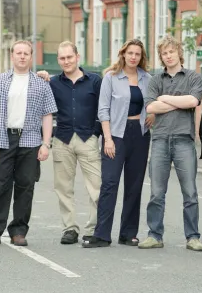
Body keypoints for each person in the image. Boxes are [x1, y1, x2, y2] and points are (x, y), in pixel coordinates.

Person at [0, 40, 57, 247]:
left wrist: (45, 144)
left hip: (30, 140)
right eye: (18, 53)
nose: (22, 56)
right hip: (3, 139)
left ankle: (19, 231)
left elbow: (47, 115)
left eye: (26, 53)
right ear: (12, 56)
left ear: (31, 57)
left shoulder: (41, 83)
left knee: (25, 186)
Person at [82, 39, 155, 248]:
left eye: (137, 54)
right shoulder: (111, 78)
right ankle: (102, 234)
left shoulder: (147, 79)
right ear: (123, 54)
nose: (133, 57)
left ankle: (128, 233)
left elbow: (153, 103)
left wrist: (153, 117)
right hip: (116, 135)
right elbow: (103, 109)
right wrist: (108, 139)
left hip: (139, 135)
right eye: (130, 53)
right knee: (110, 183)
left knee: (134, 185)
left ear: (141, 57)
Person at [138, 35, 202, 251]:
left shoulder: (193, 77)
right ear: (162, 57)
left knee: (190, 192)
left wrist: (164, 99)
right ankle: (155, 235)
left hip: (184, 140)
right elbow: (150, 108)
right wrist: (179, 102)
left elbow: (193, 101)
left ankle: (192, 237)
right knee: (157, 192)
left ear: (179, 52)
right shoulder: (156, 80)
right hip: (160, 140)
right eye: (164, 53)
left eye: (171, 51)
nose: (168, 56)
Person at [38, 41, 102, 244]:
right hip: (62, 139)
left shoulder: (94, 81)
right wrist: (40, 77)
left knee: (97, 187)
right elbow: (42, 108)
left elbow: (104, 109)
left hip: (88, 139)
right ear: (58, 60)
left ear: (77, 57)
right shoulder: (53, 82)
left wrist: (96, 133)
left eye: (69, 57)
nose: (66, 61)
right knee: (63, 187)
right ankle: (70, 228)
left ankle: (93, 228)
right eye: (62, 58)